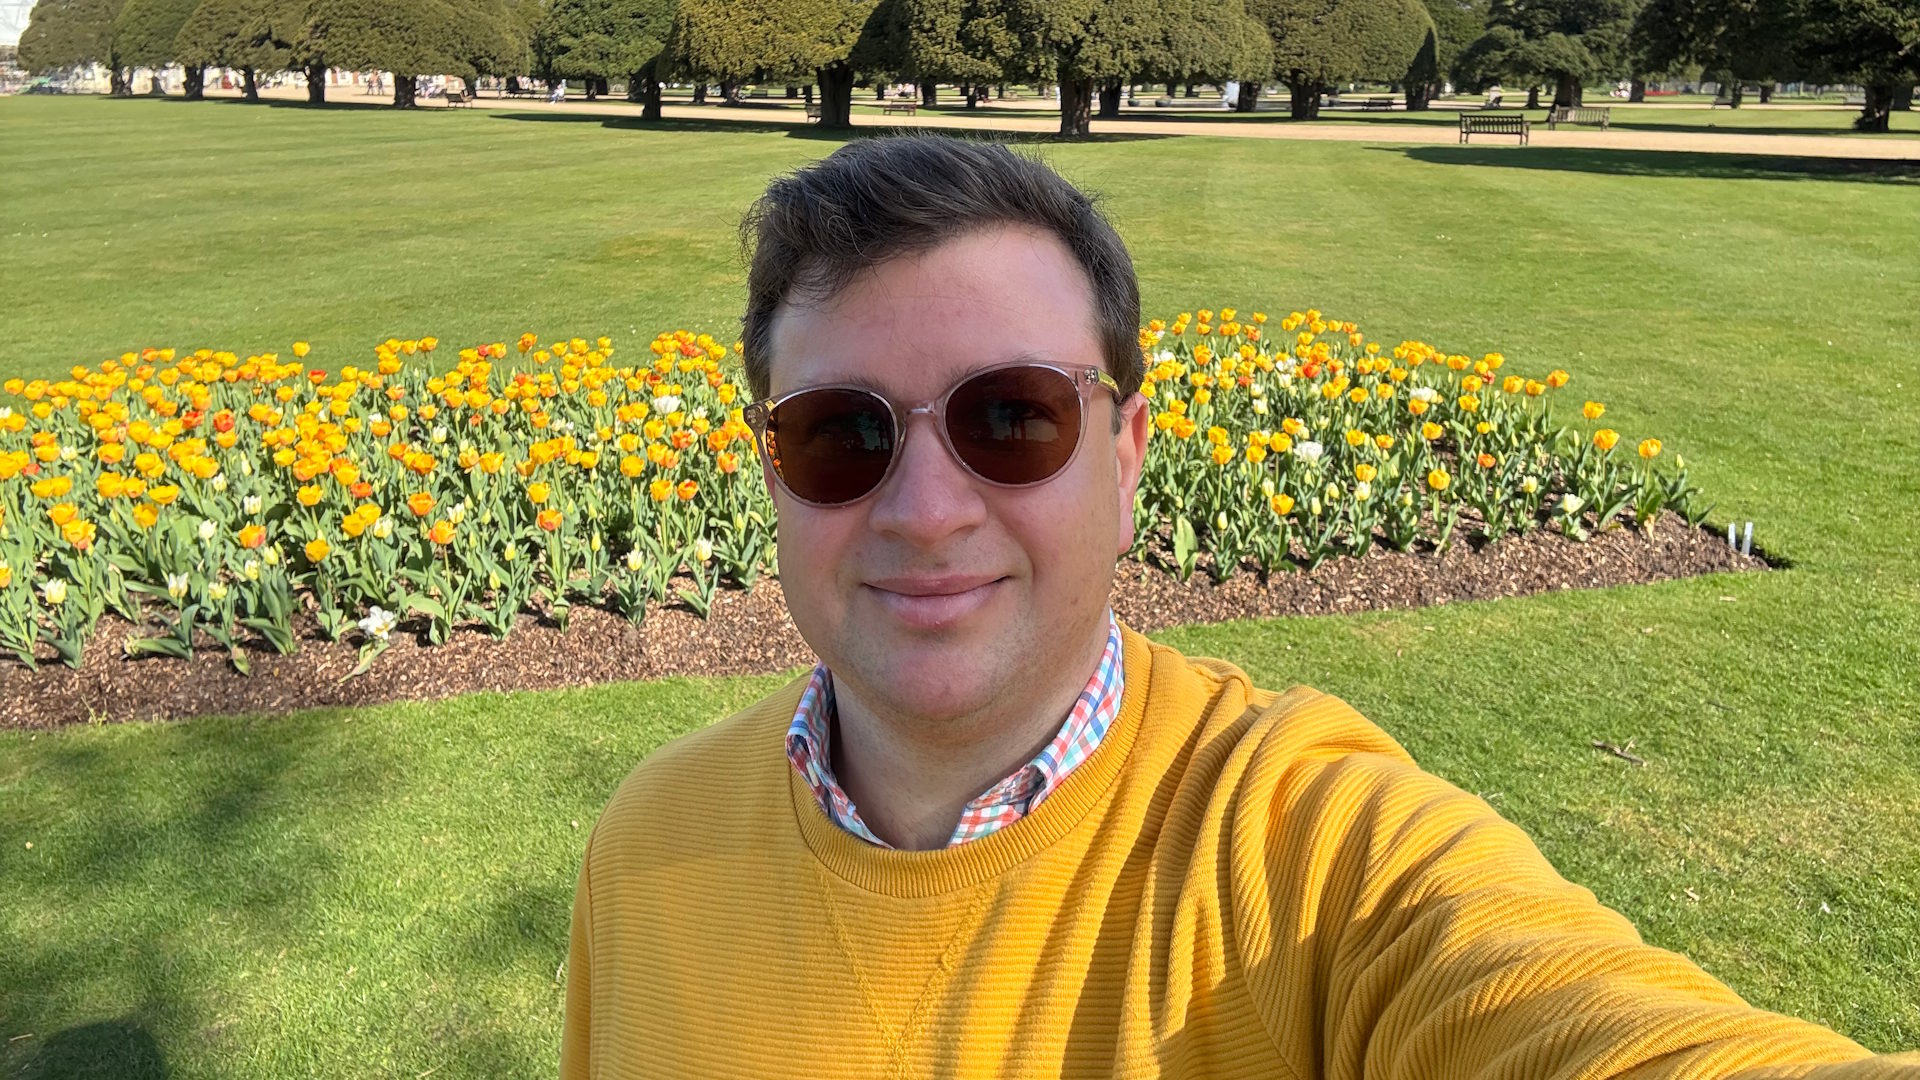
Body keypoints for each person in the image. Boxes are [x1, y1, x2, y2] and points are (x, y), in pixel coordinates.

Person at [559, 136, 1920, 1079]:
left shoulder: (1304, 853)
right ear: (771, 467)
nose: (925, 510)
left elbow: (1564, 1014)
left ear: (1127, 448)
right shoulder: (646, 846)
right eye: (843, 435)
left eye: (1013, 418)